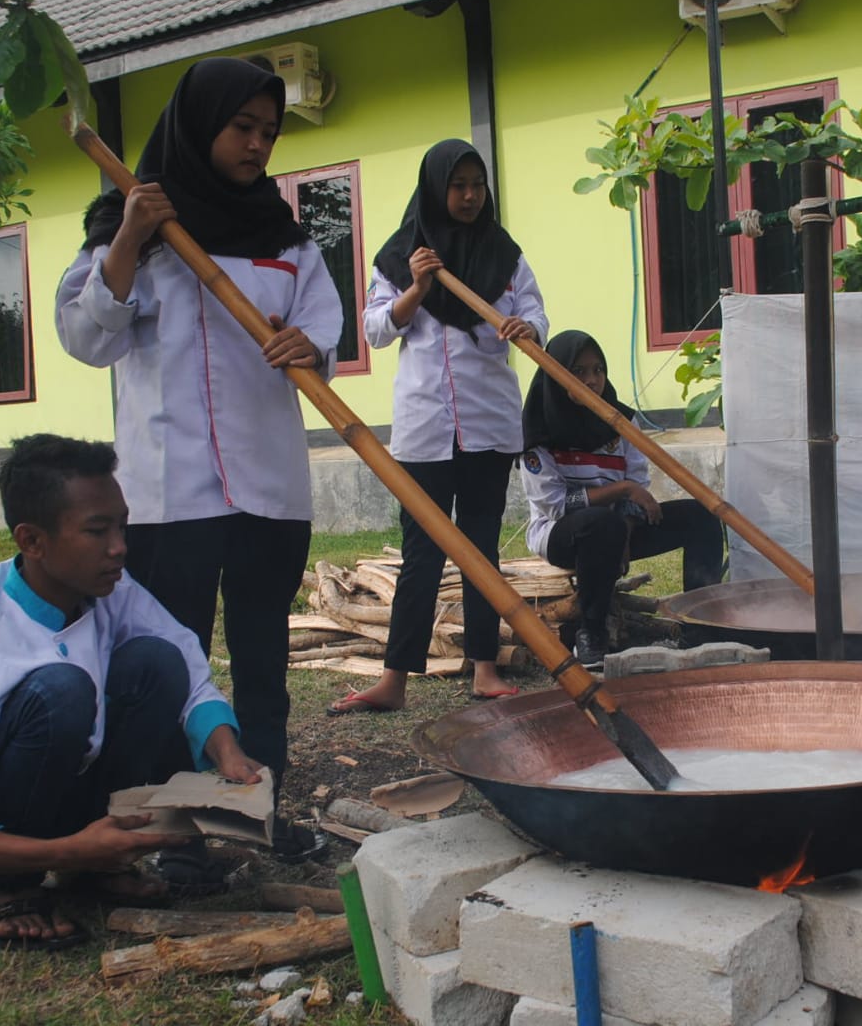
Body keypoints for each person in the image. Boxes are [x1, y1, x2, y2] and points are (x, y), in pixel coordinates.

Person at [56, 57, 343, 864]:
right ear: (196, 125)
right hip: (168, 493)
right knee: (169, 658)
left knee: (262, 661)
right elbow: (84, 338)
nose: (257, 144)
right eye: (241, 127)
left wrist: (310, 341)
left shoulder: (285, 238)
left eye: (268, 132)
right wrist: (131, 238)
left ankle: (264, 813)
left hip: (267, 486)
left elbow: (324, 321)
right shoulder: (133, 227)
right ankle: (176, 834)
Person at [0, 434, 265, 948]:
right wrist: (65, 850)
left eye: (121, 526)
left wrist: (226, 748)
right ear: (31, 541)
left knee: (158, 660)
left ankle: (92, 870)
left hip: (69, 780)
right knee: (61, 691)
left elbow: (183, 657)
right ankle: (15, 886)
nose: (119, 547)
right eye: (97, 531)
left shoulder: (105, 587)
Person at [330, 139, 548, 714]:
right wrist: (419, 288)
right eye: (458, 185)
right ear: (435, 188)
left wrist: (526, 326)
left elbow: (538, 314)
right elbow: (376, 330)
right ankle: (395, 679)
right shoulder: (400, 255)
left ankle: (483, 667)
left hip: (489, 421)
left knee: (480, 547)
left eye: (478, 184)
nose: (470, 195)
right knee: (421, 551)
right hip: (426, 427)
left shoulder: (504, 253)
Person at [520, 330, 725, 667]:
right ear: (555, 373)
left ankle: (699, 626)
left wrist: (627, 530)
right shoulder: (538, 430)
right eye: (579, 371)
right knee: (601, 523)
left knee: (700, 516)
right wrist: (621, 491)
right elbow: (553, 505)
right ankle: (592, 633)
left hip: (618, 527)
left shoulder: (621, 421)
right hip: (561, 535)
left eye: (598, 370)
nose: (592, 380)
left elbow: (639, 482)